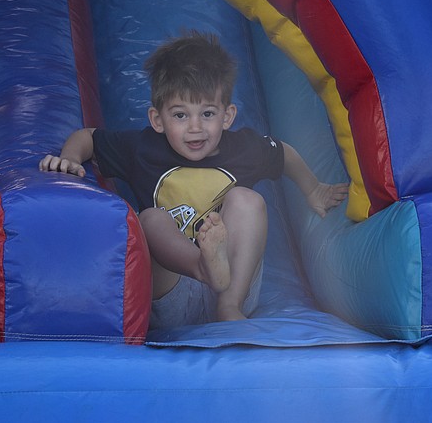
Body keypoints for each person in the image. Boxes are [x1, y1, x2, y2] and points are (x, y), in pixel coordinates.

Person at [40, 31, 348, 328]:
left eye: (208, 114)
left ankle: (228, 306)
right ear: (157, 120)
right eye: (180, 115)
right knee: (150, 219)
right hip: (174, 292)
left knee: (247, 199)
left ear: (227, 116)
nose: (195, 128)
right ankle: (202, 265)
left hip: (234, 286)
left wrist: (314, 189)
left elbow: (284, 154)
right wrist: (69, 159)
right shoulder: (141, 148)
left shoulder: (244, 148)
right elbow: (88, 138)